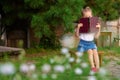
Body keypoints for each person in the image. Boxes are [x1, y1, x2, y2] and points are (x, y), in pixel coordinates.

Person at [75, 6, 101, 72]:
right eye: (86, 17)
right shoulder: (81, 25)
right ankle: (93, 67)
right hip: (82, 43)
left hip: (91, 43)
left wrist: (99, 28)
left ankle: (97, 68)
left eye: (89, 17)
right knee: (90, 51)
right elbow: (77, 36)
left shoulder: (93, 26)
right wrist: (78, 27)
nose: (88, 19)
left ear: (92, 16)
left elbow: (96, 37)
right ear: (83, 18)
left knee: (95, 51)